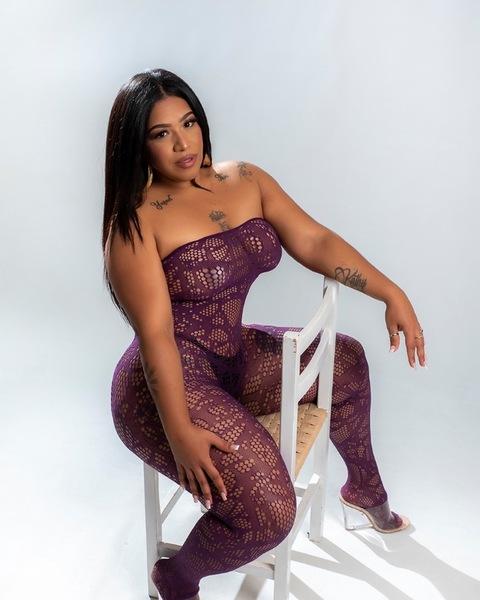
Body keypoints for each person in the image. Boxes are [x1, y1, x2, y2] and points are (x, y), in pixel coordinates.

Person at [102, 68, 426, 600]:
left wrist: (392, 292)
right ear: (138, 145)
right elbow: (157, 335)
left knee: (344, 362)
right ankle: (177, 576)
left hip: (230, 359)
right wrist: (179, 433)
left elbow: (314, 240)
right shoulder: (134, 224)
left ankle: (363, 489)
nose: (183, 143)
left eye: (189, 123)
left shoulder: (244, 179)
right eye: (161, 133)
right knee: (272, 513)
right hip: (163, 387)